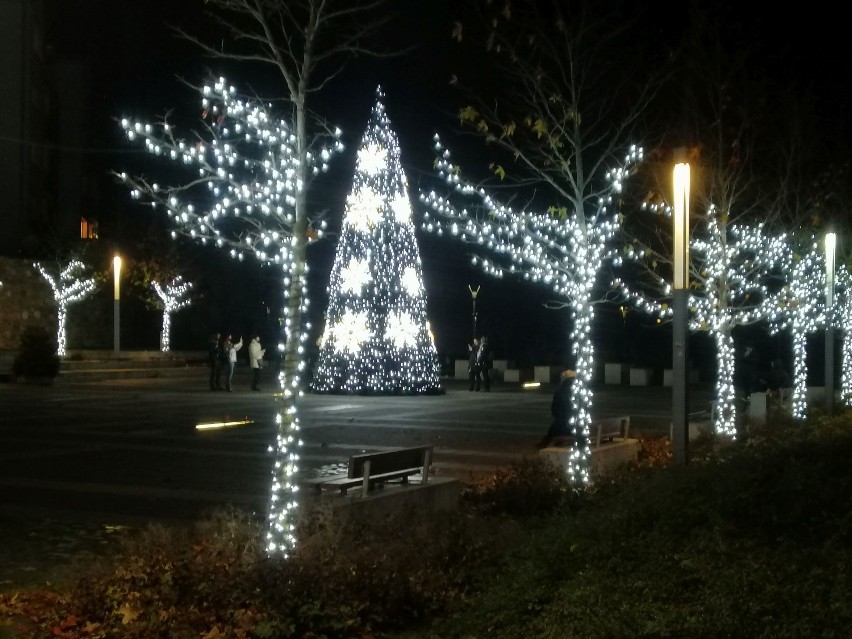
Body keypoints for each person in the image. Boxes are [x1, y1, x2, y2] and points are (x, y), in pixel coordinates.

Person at [537, 369, 577, 449]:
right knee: (557, 425)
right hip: (575, 422)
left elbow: (555, 407)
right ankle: (546, 443)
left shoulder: (560, 390)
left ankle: (545, 444)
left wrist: (558, 415)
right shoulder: (577, 391)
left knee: (557, 426)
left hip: (564, 422)